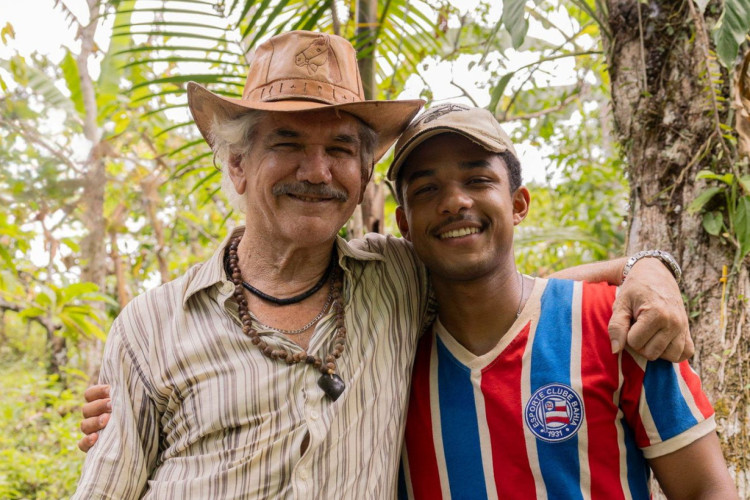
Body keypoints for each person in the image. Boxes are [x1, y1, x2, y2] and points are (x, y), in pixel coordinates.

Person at [74, 31, 693, 499]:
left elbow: (514, 295)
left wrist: (646, 267)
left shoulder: (395, 278)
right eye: (287, 143)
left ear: (364, 174)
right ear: (237, 164)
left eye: (340, 148)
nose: (316, 171)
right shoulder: (150, 327)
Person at [391, 104, 737, 499]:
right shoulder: (390, 363)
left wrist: (648, 266)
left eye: (477, 179)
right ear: (404, 224)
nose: (454, 202)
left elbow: (705, 489)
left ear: (519, 203)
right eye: (426, 189)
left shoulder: (617, 324)